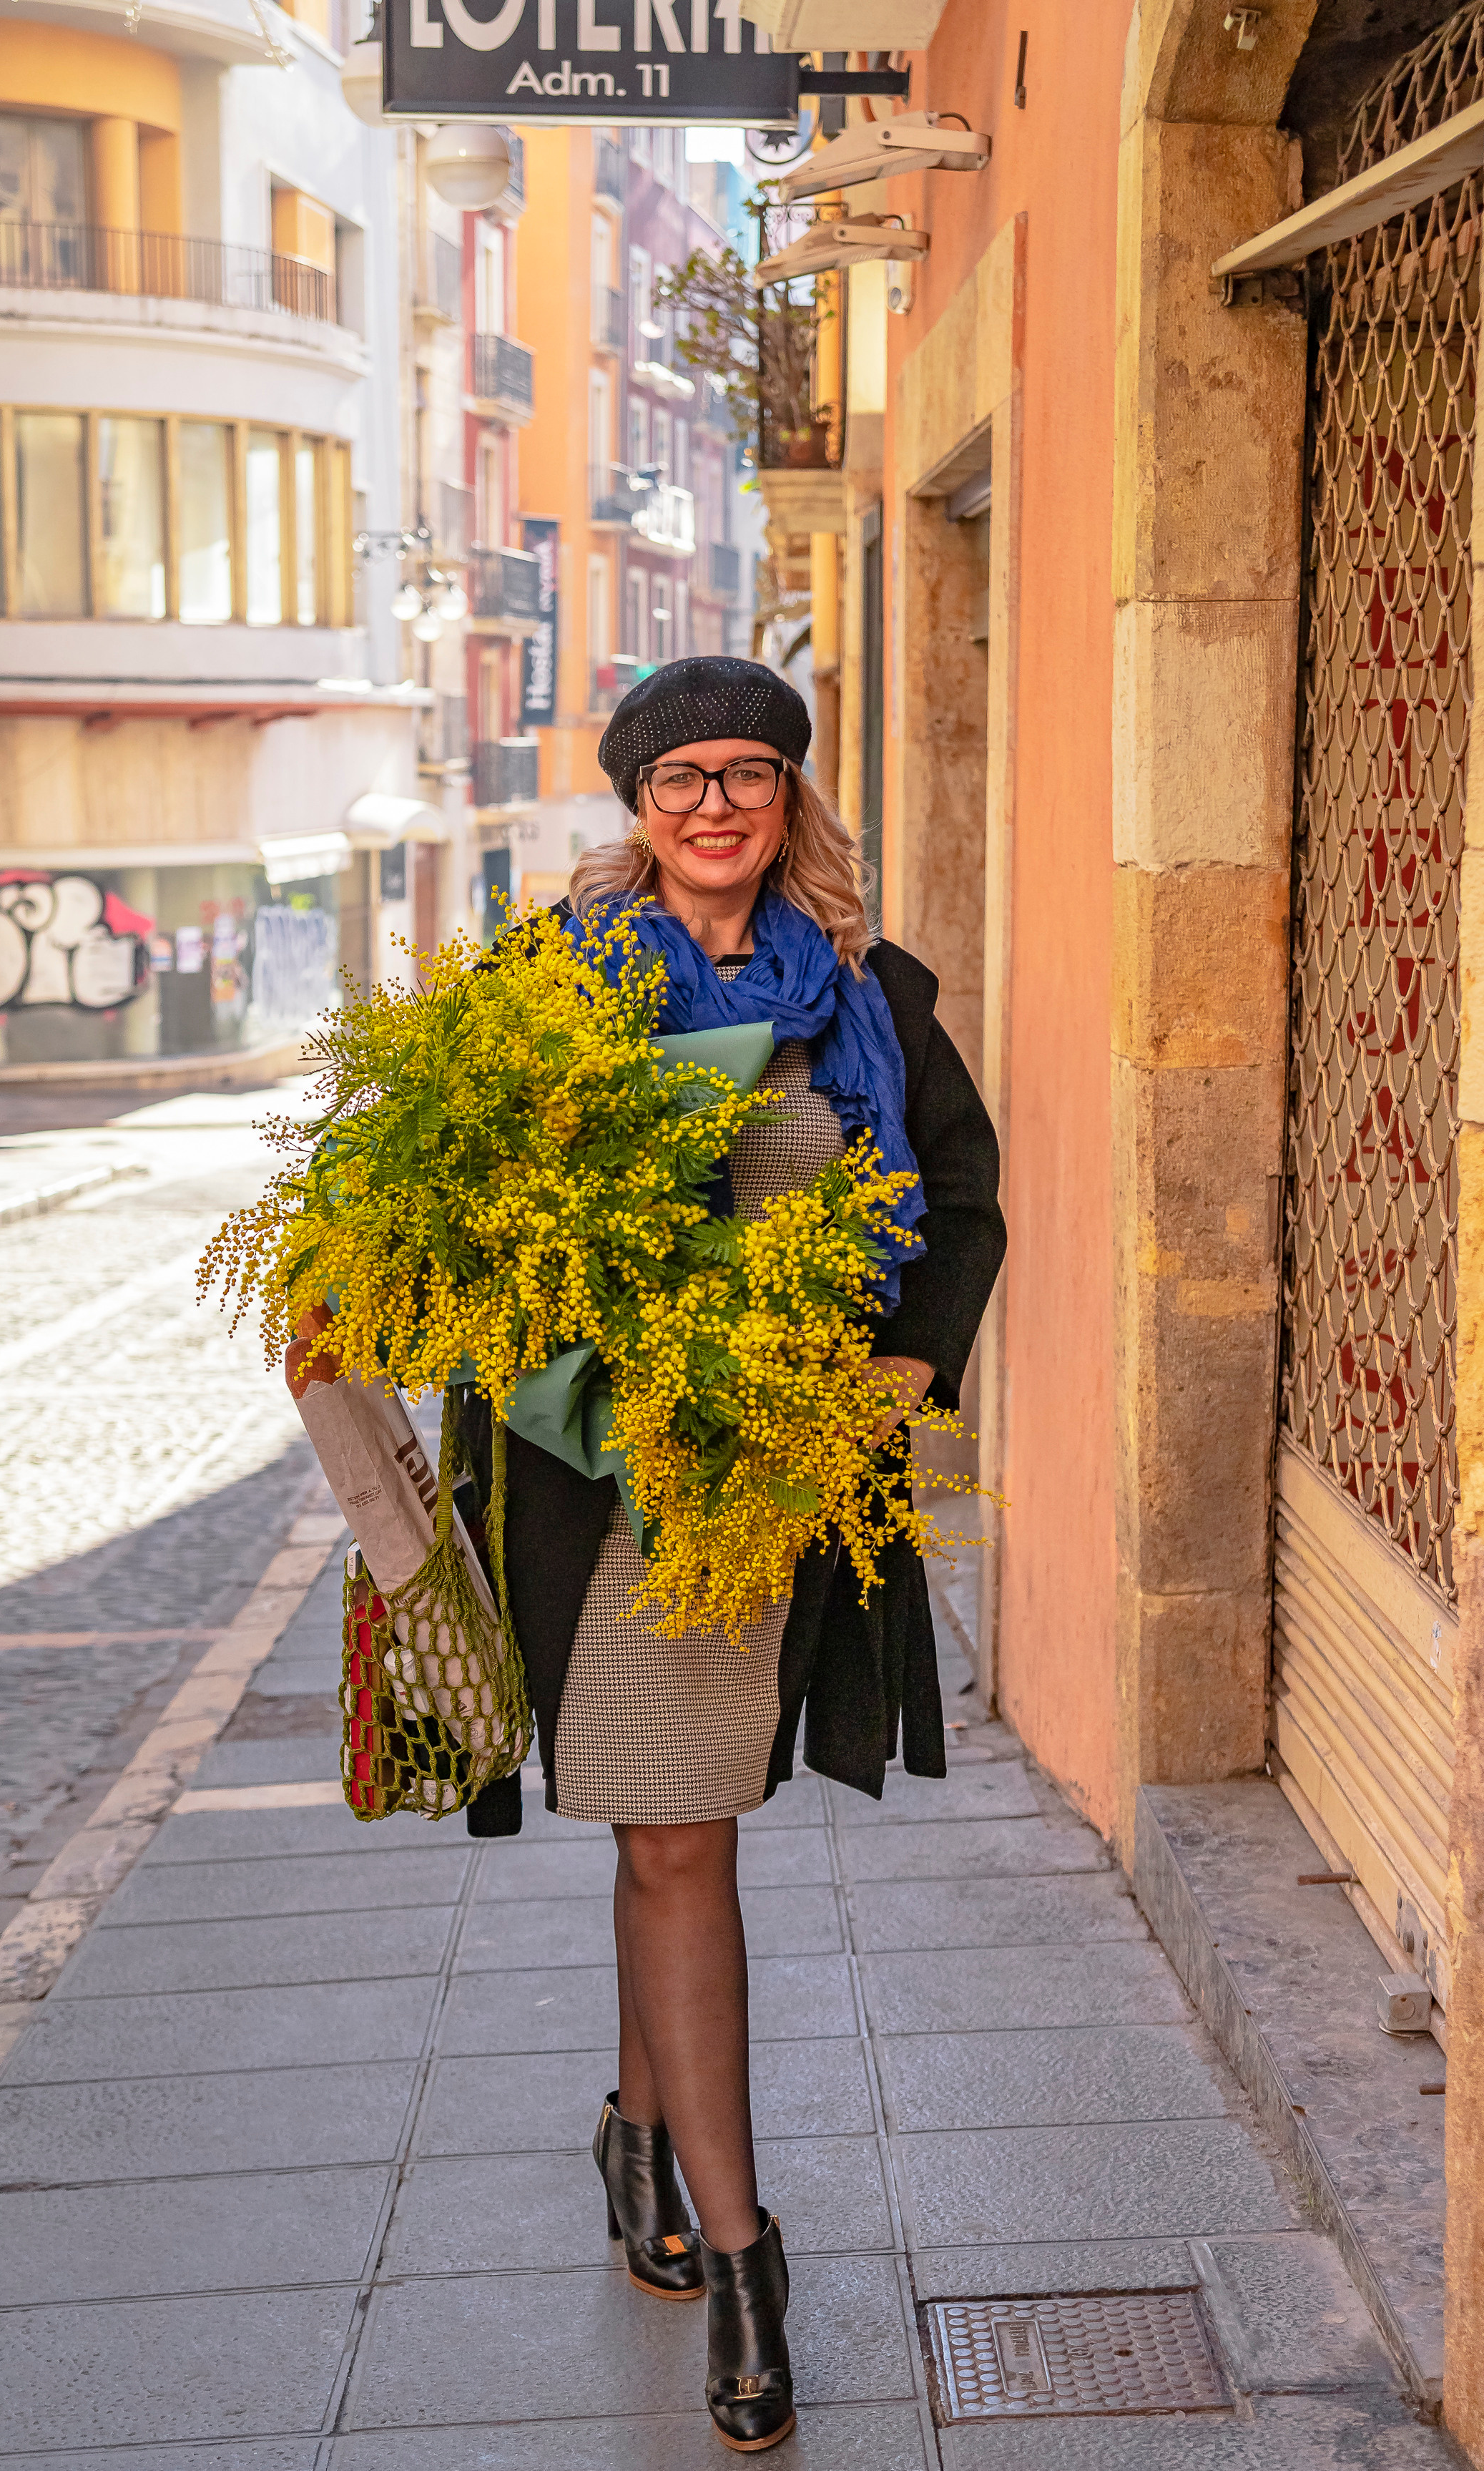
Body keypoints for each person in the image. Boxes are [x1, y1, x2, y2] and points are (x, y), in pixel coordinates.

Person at [459, 655, 1006, 2454]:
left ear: (789, 797)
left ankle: (640, 2137)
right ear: (635, 800)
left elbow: (961, 1197)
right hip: (601, 1488)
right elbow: (459, 1204)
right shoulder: (552, 987)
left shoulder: (867, 990)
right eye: (681, 775)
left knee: (671, 1825)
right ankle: (750, 2256)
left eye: (747, 773)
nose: (715, 804)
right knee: (678, 1830)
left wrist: (905, 1363)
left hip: (778, 1479)